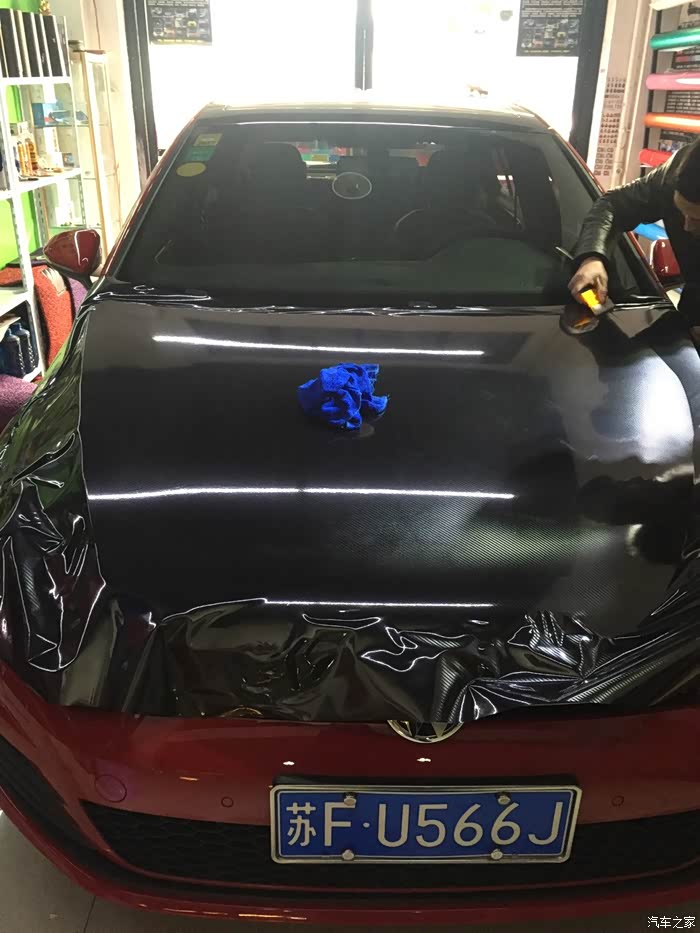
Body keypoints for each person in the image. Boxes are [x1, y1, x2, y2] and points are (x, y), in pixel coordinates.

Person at [569, 140, 700, 321]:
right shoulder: (676, 174)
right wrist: (592, 257)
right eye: (681, 212)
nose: (686, 226)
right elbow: (613, 205)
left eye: (697, 220)